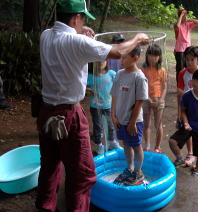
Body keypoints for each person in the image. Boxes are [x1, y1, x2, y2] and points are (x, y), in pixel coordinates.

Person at [36, 0, 149, 211]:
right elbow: (117, 52)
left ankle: (45, 207)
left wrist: (80, 33)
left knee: (50, 166)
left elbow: (62, 35)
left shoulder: (45, 36)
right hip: (70, 116)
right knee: (82, 176)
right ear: (76, 18)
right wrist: (137, 39)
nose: (84, 23)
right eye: (83, 19)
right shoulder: (77, 43)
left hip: (46, 113)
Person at [169, 68, 198, 178]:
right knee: (172, 141)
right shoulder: (187, 95)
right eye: (194, 79)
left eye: (197, 80)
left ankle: (197, 169)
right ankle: (179, 159)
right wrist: (185, 123)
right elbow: (183, 111)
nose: (193, 82)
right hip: (188, 126)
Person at [111, 46, 148, 186]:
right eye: (121, 57)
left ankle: (138, 171)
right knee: (126, 144)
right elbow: (114, 95)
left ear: (135, 58)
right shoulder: (119, 74)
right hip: (120, 119)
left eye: (125, 57)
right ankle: (130, 167)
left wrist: (132, 122)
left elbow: (140, 101)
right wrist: (113, 115)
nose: (121, 60)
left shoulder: (139, 77)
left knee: (136, 145)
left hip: (134, 121)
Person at [176, 46, 198, 167]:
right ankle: (190, 153)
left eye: (192, 59)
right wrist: (179, 113)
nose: (189, 62)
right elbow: (180, 93)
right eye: (187, 59)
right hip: (186, 108)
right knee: (187, 131)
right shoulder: (182, 73)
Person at [87, 60, 122, 155]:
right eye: (97, 61)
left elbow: (119, 83)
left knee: (110, 124)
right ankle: (99, 145)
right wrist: (89, 89)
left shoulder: (111, 74)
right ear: (93, 63)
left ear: (107, 62)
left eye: (102, 61)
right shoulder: (90, 76)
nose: (100, 63)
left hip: (109, 105)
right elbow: (83, 85)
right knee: (97, 126)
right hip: (95, 106)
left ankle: (112, 142)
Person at [141, 44, 167, 153]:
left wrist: (161, 99)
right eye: (151, 55)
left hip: (158, 100)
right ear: (147, 56)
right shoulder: (142, 70)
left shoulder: (162, 70)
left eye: (156, 56)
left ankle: (157, 146)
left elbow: (164, 86)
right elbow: (142, 86)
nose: (153, 58)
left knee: (158, 124)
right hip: (146, 100)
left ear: (159, 57)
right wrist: (148, 100)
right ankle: (147, 145)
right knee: (147, 124)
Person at [174, 9, 198, 83]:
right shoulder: (177, 25)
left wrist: (188, 19)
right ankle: (179, 86)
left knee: (189, 68)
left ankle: (188, 83)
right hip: (179, 50)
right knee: (180, 69)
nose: (185, 17)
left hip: (188, 49)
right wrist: (181, 16)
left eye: (186, 15)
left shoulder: (188, 24)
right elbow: (177, 26)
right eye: (183, 15)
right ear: (179, 16)